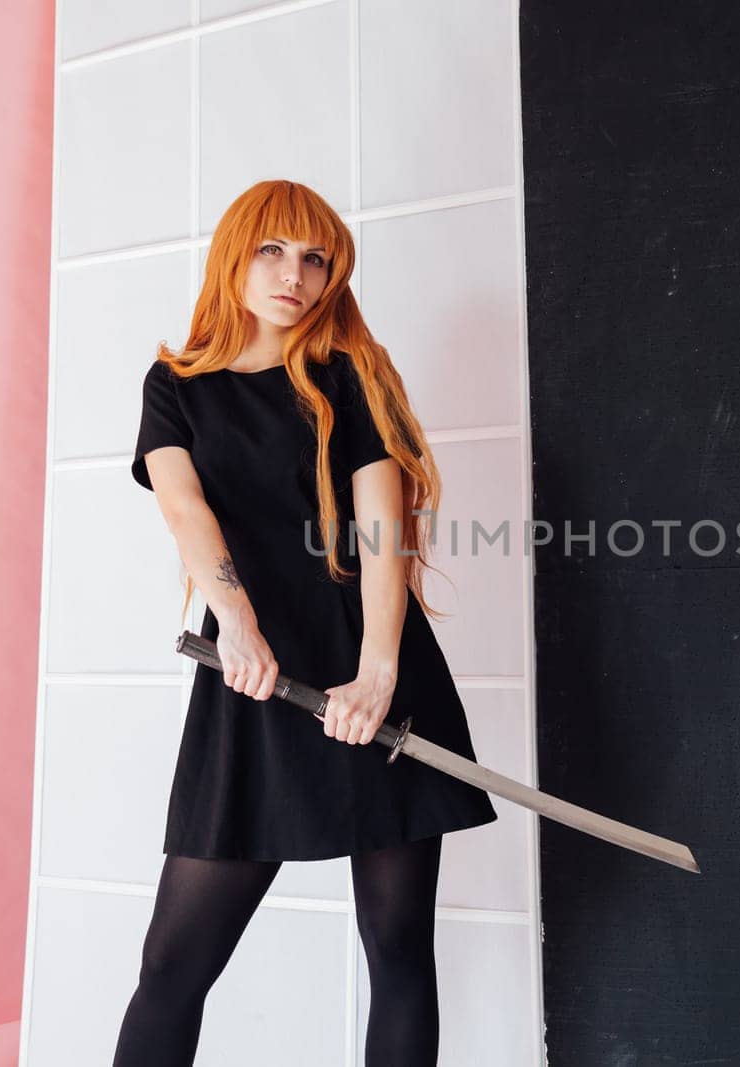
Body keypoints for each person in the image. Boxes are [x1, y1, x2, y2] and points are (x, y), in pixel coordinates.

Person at [111, 179, 498, 1066]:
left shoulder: (350, 371)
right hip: (256, 682)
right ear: (234, 256)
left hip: (377, 674)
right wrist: (236, 625)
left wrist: (378, 673)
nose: (295, 274)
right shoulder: (176, 385)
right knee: (172, 964)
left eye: (315, 257)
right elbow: (183, 507)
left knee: (399, 953)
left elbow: (381, 527)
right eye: (273, 251)